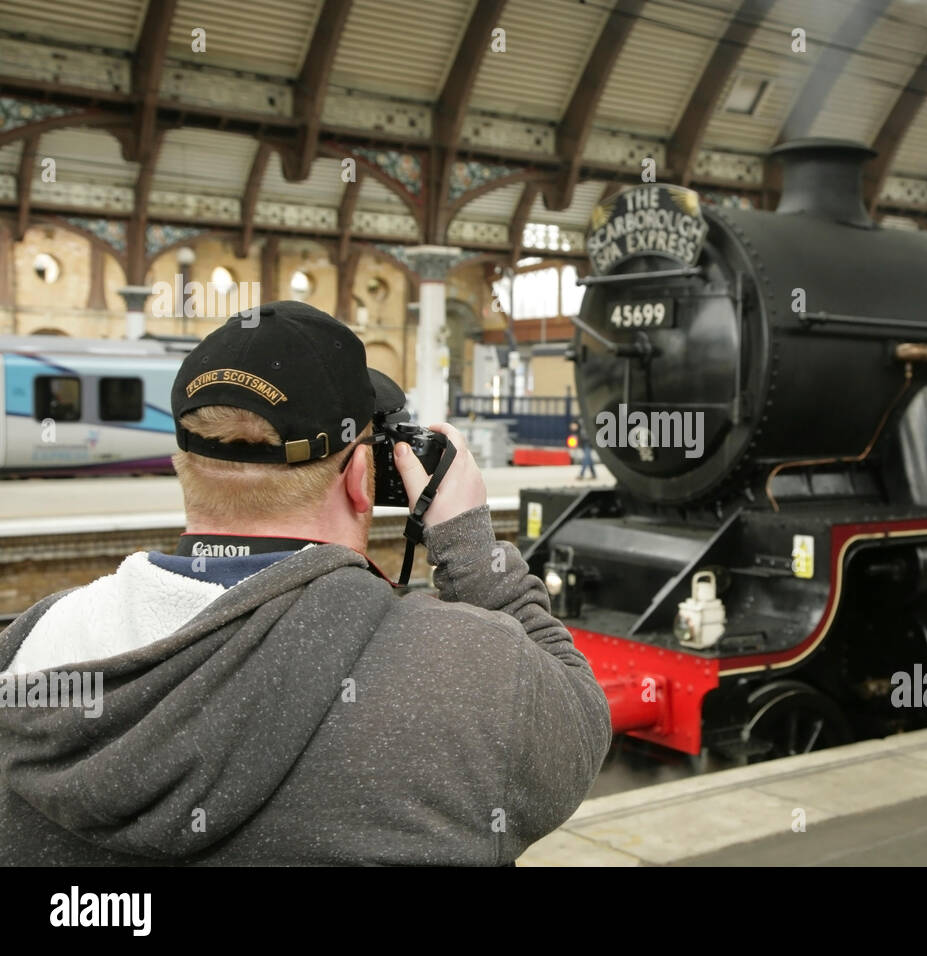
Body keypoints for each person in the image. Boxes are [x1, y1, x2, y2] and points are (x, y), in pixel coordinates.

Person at [0, 301, 611, 866]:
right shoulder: (474, 670)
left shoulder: (30, 646)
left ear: (182, 464)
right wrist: (472, 550)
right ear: (360, 480)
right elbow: (580, 723)